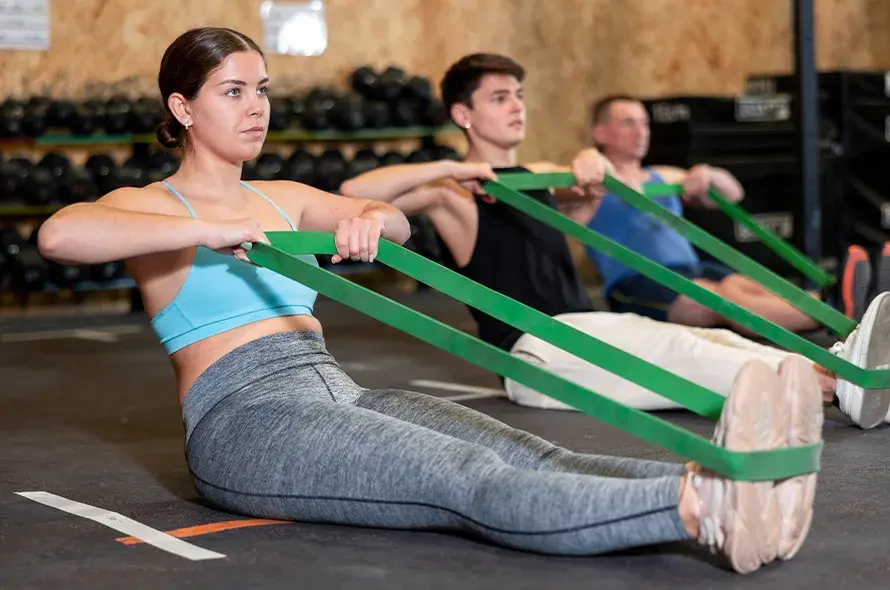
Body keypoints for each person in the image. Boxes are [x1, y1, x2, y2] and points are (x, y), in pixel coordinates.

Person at [35, 26, 823, 575]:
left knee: (521, 449)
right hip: (245, 419)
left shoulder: (281, 194)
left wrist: (370, 223)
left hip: (334, 387)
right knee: (462, 476)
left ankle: (729, 481)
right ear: (181, 108)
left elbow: (392, 215)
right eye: (233, 91)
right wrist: (206, 225)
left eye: (263, 90)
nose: (257, 108)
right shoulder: (150, 204)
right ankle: (698, 508)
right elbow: (59, 235)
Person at [339, 53, 890, 431]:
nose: (517, 107)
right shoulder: (453, 194)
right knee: (687, 354)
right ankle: (835, 386)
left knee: (721, 344)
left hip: (585, 325)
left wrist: (588, 161)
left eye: (520, 95)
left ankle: (840, 373)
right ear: (463, 114)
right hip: (537, 353)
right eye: (500, 97)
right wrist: (449, 165)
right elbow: (354, 189)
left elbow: (591, 176)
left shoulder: (537, 177)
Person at [576, 94, 864, 334]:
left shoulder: (663, 176)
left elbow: (733, 193)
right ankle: (842, 315)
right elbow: (549, 178)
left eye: (645, 123)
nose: (641, 133)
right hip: (637, 281)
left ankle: (839, 301)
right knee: (721, 299)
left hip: (692, 268)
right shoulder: (588, 183)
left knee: (747, 285)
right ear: (600, 132)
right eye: (628, 123)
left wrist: (708, 173)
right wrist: (589, 158)